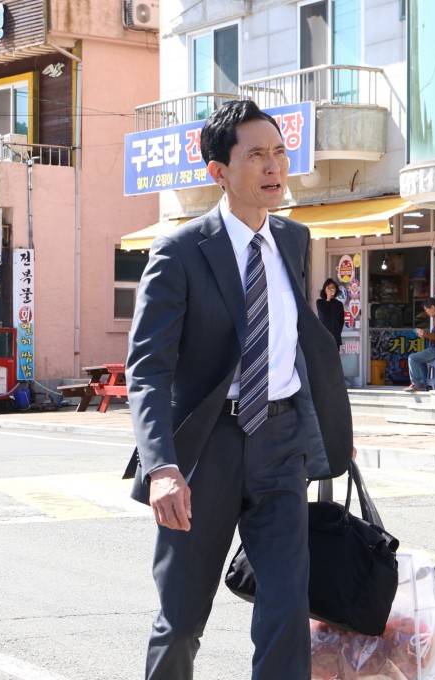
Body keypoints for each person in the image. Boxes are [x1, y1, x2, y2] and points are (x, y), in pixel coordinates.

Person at [123, 100, 354, 680]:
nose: (274, 166)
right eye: (256, 155)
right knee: (181, 619)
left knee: (285, 609)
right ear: (218, 171)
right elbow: (147, 369)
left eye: (279, 153)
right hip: (206, 452)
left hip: (280, 444)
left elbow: (301, 344)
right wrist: (161, 468)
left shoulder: (294, 242)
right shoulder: (179, 252)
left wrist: (329, 433)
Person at [403, 297, 435, 392]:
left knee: (413, 358)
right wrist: (425, 335)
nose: (426, 312)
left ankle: (416, 384)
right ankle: (424, 384)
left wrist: (425, 334)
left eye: (426, 310)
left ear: (432, 307)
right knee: (419, 360)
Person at [316, 278, 345, 346]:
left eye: (332, 287)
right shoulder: (320, 302)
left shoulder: (339, 304)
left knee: (335, 356)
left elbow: (341, 321)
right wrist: (328, 298)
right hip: (324, 338)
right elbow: (323, 312)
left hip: (335, 339)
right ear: (325, 290)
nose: (331, 289)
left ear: (335, 289)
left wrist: (337, 333)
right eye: (328, 288)